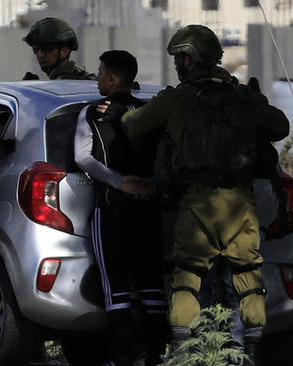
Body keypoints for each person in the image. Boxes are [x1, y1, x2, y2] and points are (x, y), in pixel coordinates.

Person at [109, 24, 289, 364]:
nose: (178, 64)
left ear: (189, 58)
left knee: (188, 278)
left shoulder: (176, 99)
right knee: (247, 278)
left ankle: (183, 353)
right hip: (240, 202)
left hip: (196, 204)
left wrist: (123, 111)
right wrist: (254, 100)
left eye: (179, 58)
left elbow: (134, 125)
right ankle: (247, 355)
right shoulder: (241, 97)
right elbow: (279, 126)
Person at [74, 50, 167, 366]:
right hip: (150, 208)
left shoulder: (92, 113)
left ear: (113, 78)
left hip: (111, 208)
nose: (97, 77)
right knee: (152, 284)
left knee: (116, 288)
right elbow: (165, 156)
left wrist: (118, 181)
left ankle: (121, 357)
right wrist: (150, 183)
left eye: (100, 72)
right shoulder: (150, 112)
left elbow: (83, 157)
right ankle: (157, 355)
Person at [22, 17, 96, 80]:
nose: (40, 54)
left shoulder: (73, 83)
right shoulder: (61, 80)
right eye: (36, 49)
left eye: (47, 48)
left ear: (64, 50)